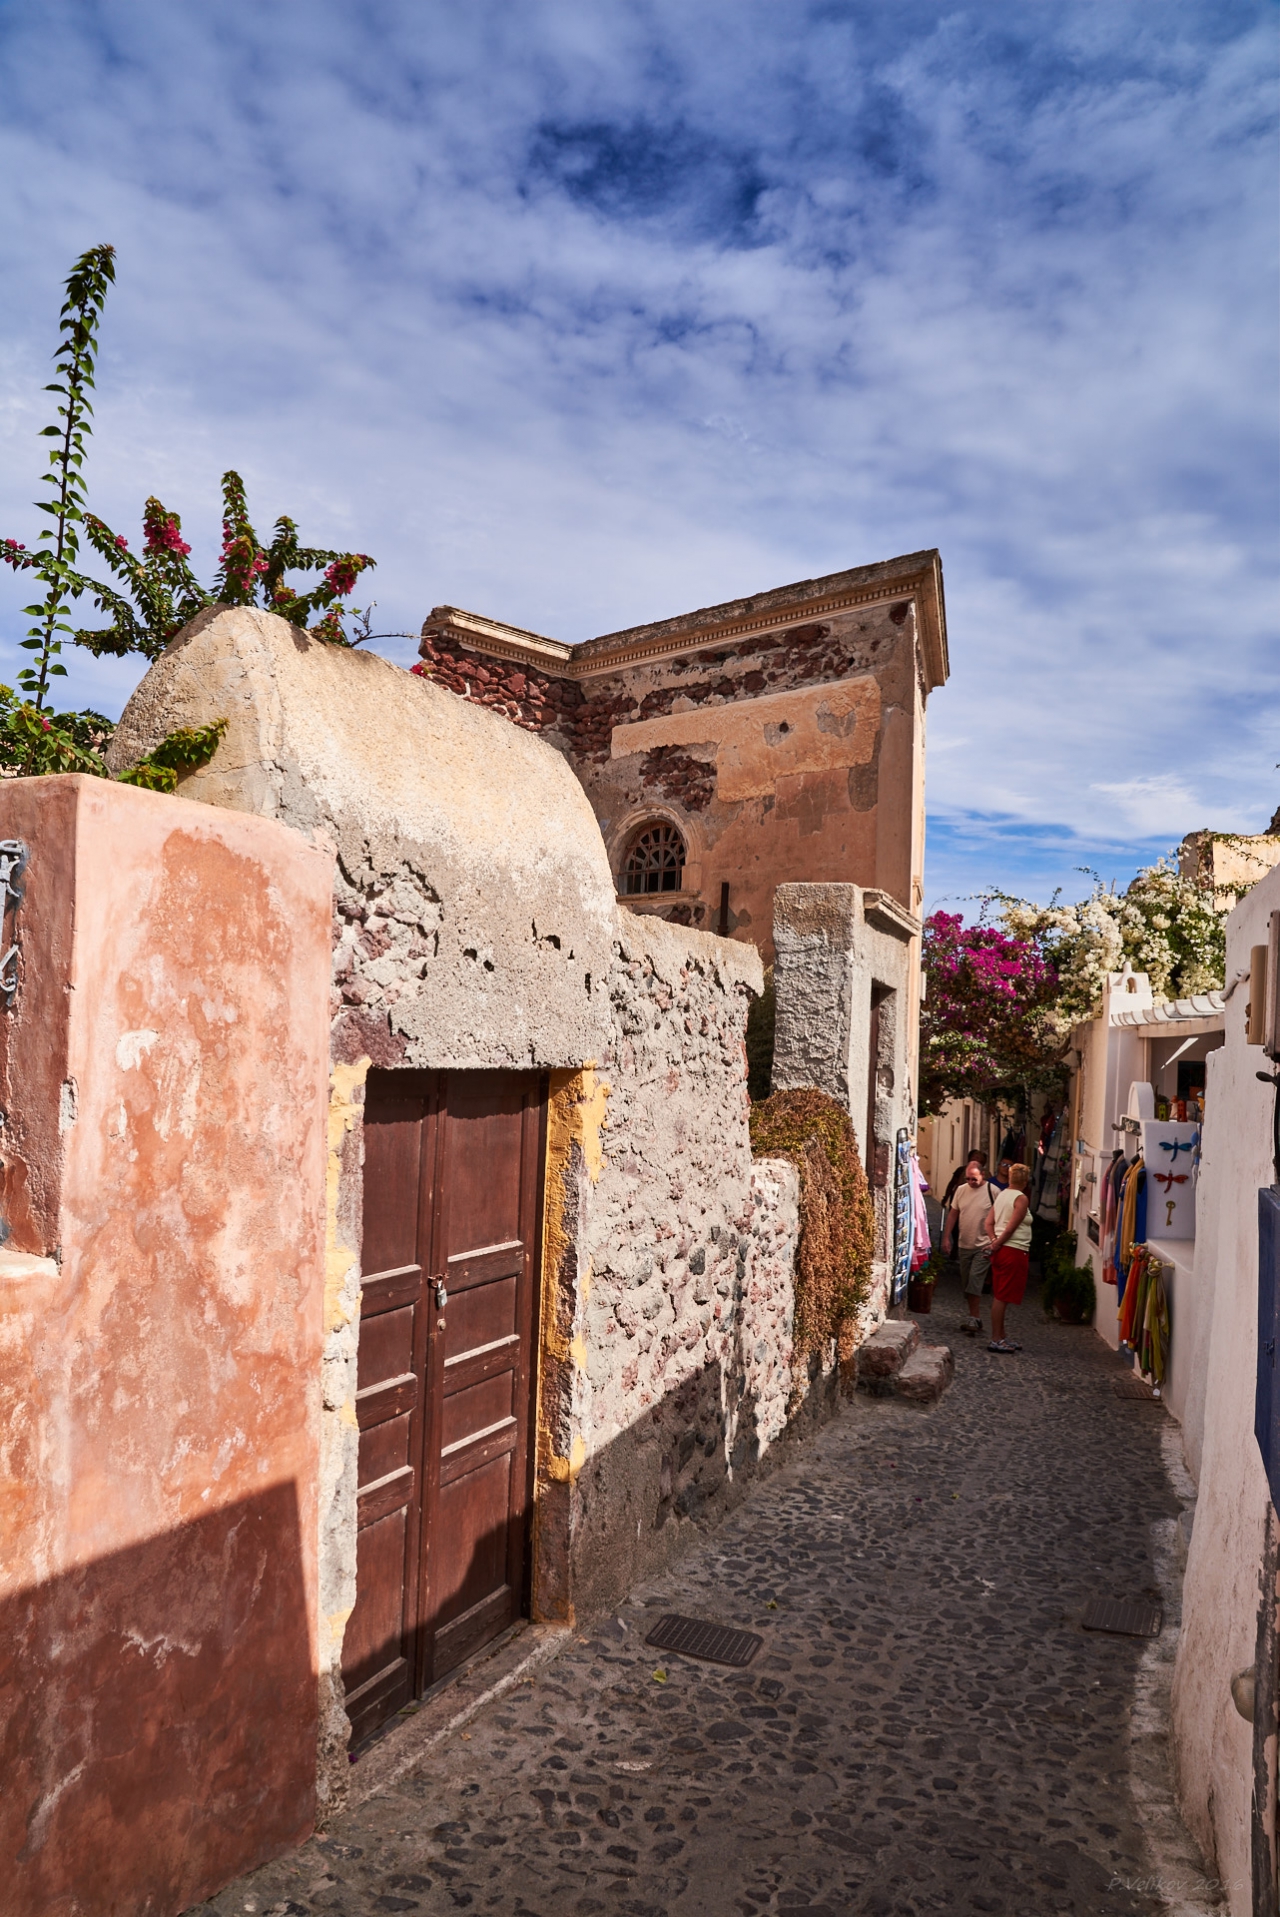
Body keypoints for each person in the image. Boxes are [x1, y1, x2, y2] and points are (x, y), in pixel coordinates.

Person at [942, 1156, 1002, 1335]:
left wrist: (996, 1240)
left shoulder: (994, 1191)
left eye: (973, 1179)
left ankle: (974, 1318)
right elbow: (953, 1214)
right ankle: (973, 1316)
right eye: (967, 1178)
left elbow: (1001, 1216)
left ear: (983, 1175)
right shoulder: (961, 1190)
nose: (970, 1182)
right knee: (967, 1282)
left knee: (975, 1279)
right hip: (964, 1244)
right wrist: (946, 1238)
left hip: (984, 1244)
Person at [983, 1162, 1032, 1353]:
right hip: (1013, 1250)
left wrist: (994, 1240)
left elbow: (989, 1223)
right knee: (1002, 1296)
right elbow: (1011, 1227)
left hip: (1003, 1250)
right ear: (1026, 1181)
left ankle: (1001, 1336)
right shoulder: (1021, 1198)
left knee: (1000, 1293)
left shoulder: (1002, 1195)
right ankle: (996, 1338)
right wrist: (997, 1243)